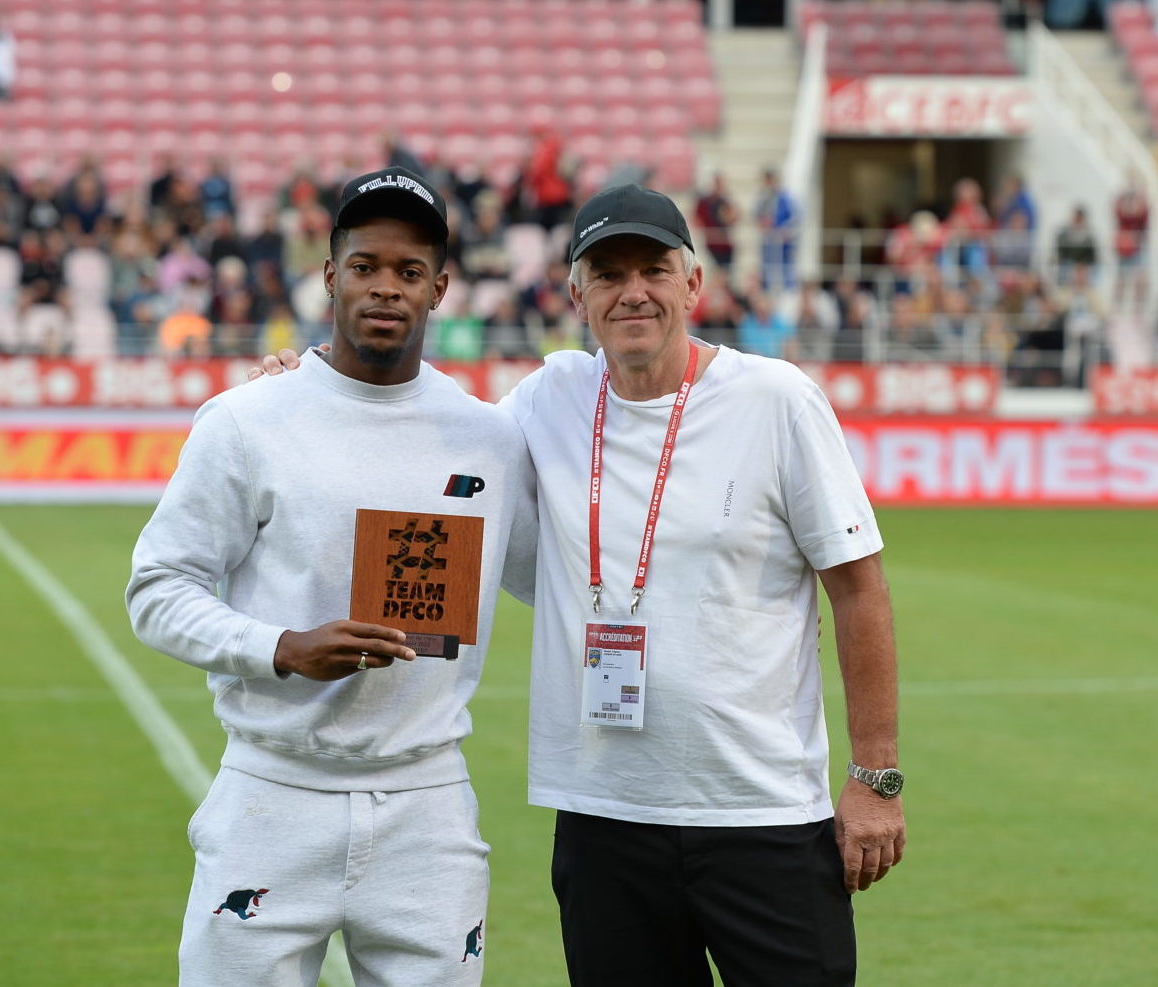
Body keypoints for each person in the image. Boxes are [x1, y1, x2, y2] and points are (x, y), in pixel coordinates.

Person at [259, 182, 905, 984]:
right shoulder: (548, 398)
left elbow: (859, 587)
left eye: (654, 270)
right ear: (577, 296)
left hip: (762, 811)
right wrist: (308, 385)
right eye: (607, 273)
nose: (633, 291)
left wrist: (875, 777)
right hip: (603, 818)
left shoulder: (777, 401)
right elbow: (426, 440)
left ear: (692, 285)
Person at [128, 166, 535, 986]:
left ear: (440, 288)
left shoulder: (490, 438)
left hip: (428, 806)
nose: (385, 287)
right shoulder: (248, 420)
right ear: (329, 275)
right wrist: (282, 647)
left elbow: (553, 581)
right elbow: (157, 590)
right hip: (271, 793)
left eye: (409, 270)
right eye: (365, 266)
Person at [755, 168, 799, 295]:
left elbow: (794, 217)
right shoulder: (762, 197)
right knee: (767, 266)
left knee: (786, 267)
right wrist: (763, 223)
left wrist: (784, 230)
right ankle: (767, 291)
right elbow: (757, 215)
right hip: (769, 239)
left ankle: (788, 292)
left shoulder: (785, 197)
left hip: (783, 240)